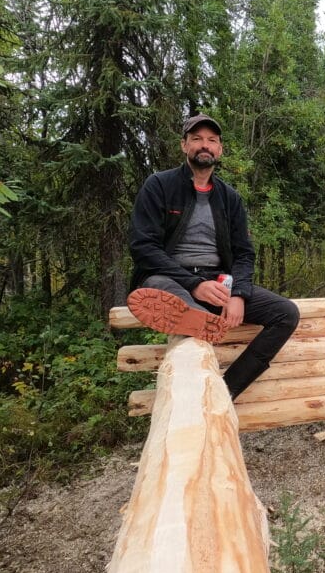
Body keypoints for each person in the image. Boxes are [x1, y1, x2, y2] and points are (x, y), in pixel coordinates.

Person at [126, 113, 299, 400]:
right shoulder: (159, 185)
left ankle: (225, 391)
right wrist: (194, 284)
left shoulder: (230, 198)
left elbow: (244, 253)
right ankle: (199, 317)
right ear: (184, 145)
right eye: (196, 139)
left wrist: (239, 293)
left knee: (286, 313)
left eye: (211, 140)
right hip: (170, 278)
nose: (204, 145)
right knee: (159, 286)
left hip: (219, 283)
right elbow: (143, 247)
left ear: (219, 149)